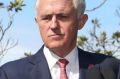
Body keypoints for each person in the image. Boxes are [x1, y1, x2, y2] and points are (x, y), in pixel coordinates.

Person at [0, 0, 120, 79]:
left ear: (81, 21)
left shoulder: (110, 68)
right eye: (46, 18)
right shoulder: (11, 74)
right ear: (37, 23)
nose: (53, 25)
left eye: (62, 17)